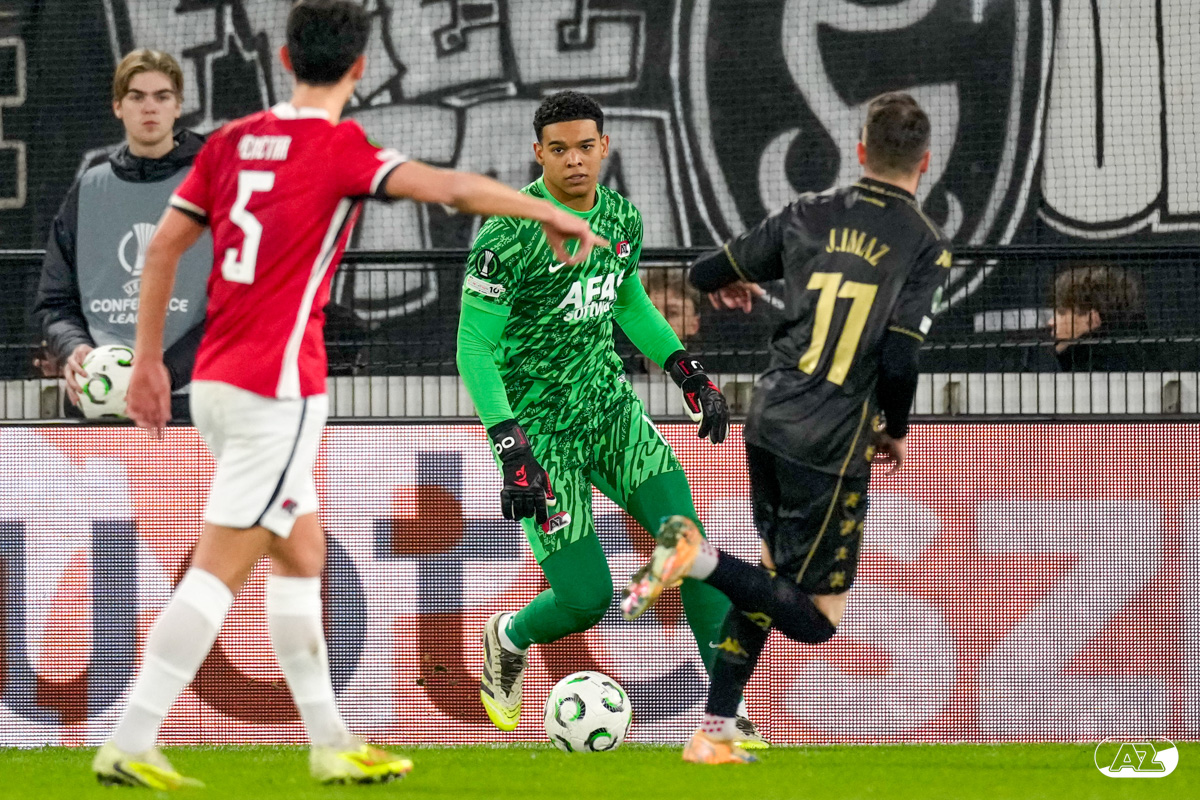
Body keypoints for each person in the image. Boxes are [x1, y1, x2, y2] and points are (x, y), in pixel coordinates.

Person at [95, 1, 605, 788]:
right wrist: (546, 210)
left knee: (301, 556)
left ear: (283, 56)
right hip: (276, 392)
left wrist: (147, 365)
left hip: (217, 382)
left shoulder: (230, 141)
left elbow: (163, 246)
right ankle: (131, 737)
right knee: (219, 570)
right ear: (362, 67)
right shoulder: (337, 147)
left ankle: (330, 742)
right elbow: (451, 189)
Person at [621, 92, 951, 764]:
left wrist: (738, 281)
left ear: (860, 150)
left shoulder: (808, 211)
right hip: (829, 439)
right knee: (818, 620)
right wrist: (896, 428)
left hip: (769, 418)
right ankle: (696, 559)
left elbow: (705, 273)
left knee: (769, 583)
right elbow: (900, 355)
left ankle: (714, 729)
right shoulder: (923, 242)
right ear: (926, 162)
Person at [457, 90, 768, 747]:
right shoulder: (508, 233)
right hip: (539, 433)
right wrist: (510, 444)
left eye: (585, 146)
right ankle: (509, 636)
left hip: (610, 412)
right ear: (538, 154)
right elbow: (473, 347)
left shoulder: (621, 217)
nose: (574, 160)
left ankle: (726, 718)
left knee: (688, 548)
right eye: (559, 149)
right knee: (585, 599)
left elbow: (627, 302)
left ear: (604, 146)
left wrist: (686, 370)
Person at [32, 49, 209, 419]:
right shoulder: (88, 189)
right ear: (118, 107)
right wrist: (74, 348)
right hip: (95, 398)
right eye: (137, 96)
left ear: (178, 107)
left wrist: (167, 371)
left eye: (162, 96)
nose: (150, 107)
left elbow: (236, 309)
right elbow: (55, 302)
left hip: (189, 402)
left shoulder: (212, 187)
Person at [1049, 265, 1155, 371]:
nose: (1051, 322)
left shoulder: (1091, 369)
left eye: (1061, 313)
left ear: (1091, 319)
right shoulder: (1147, 354)